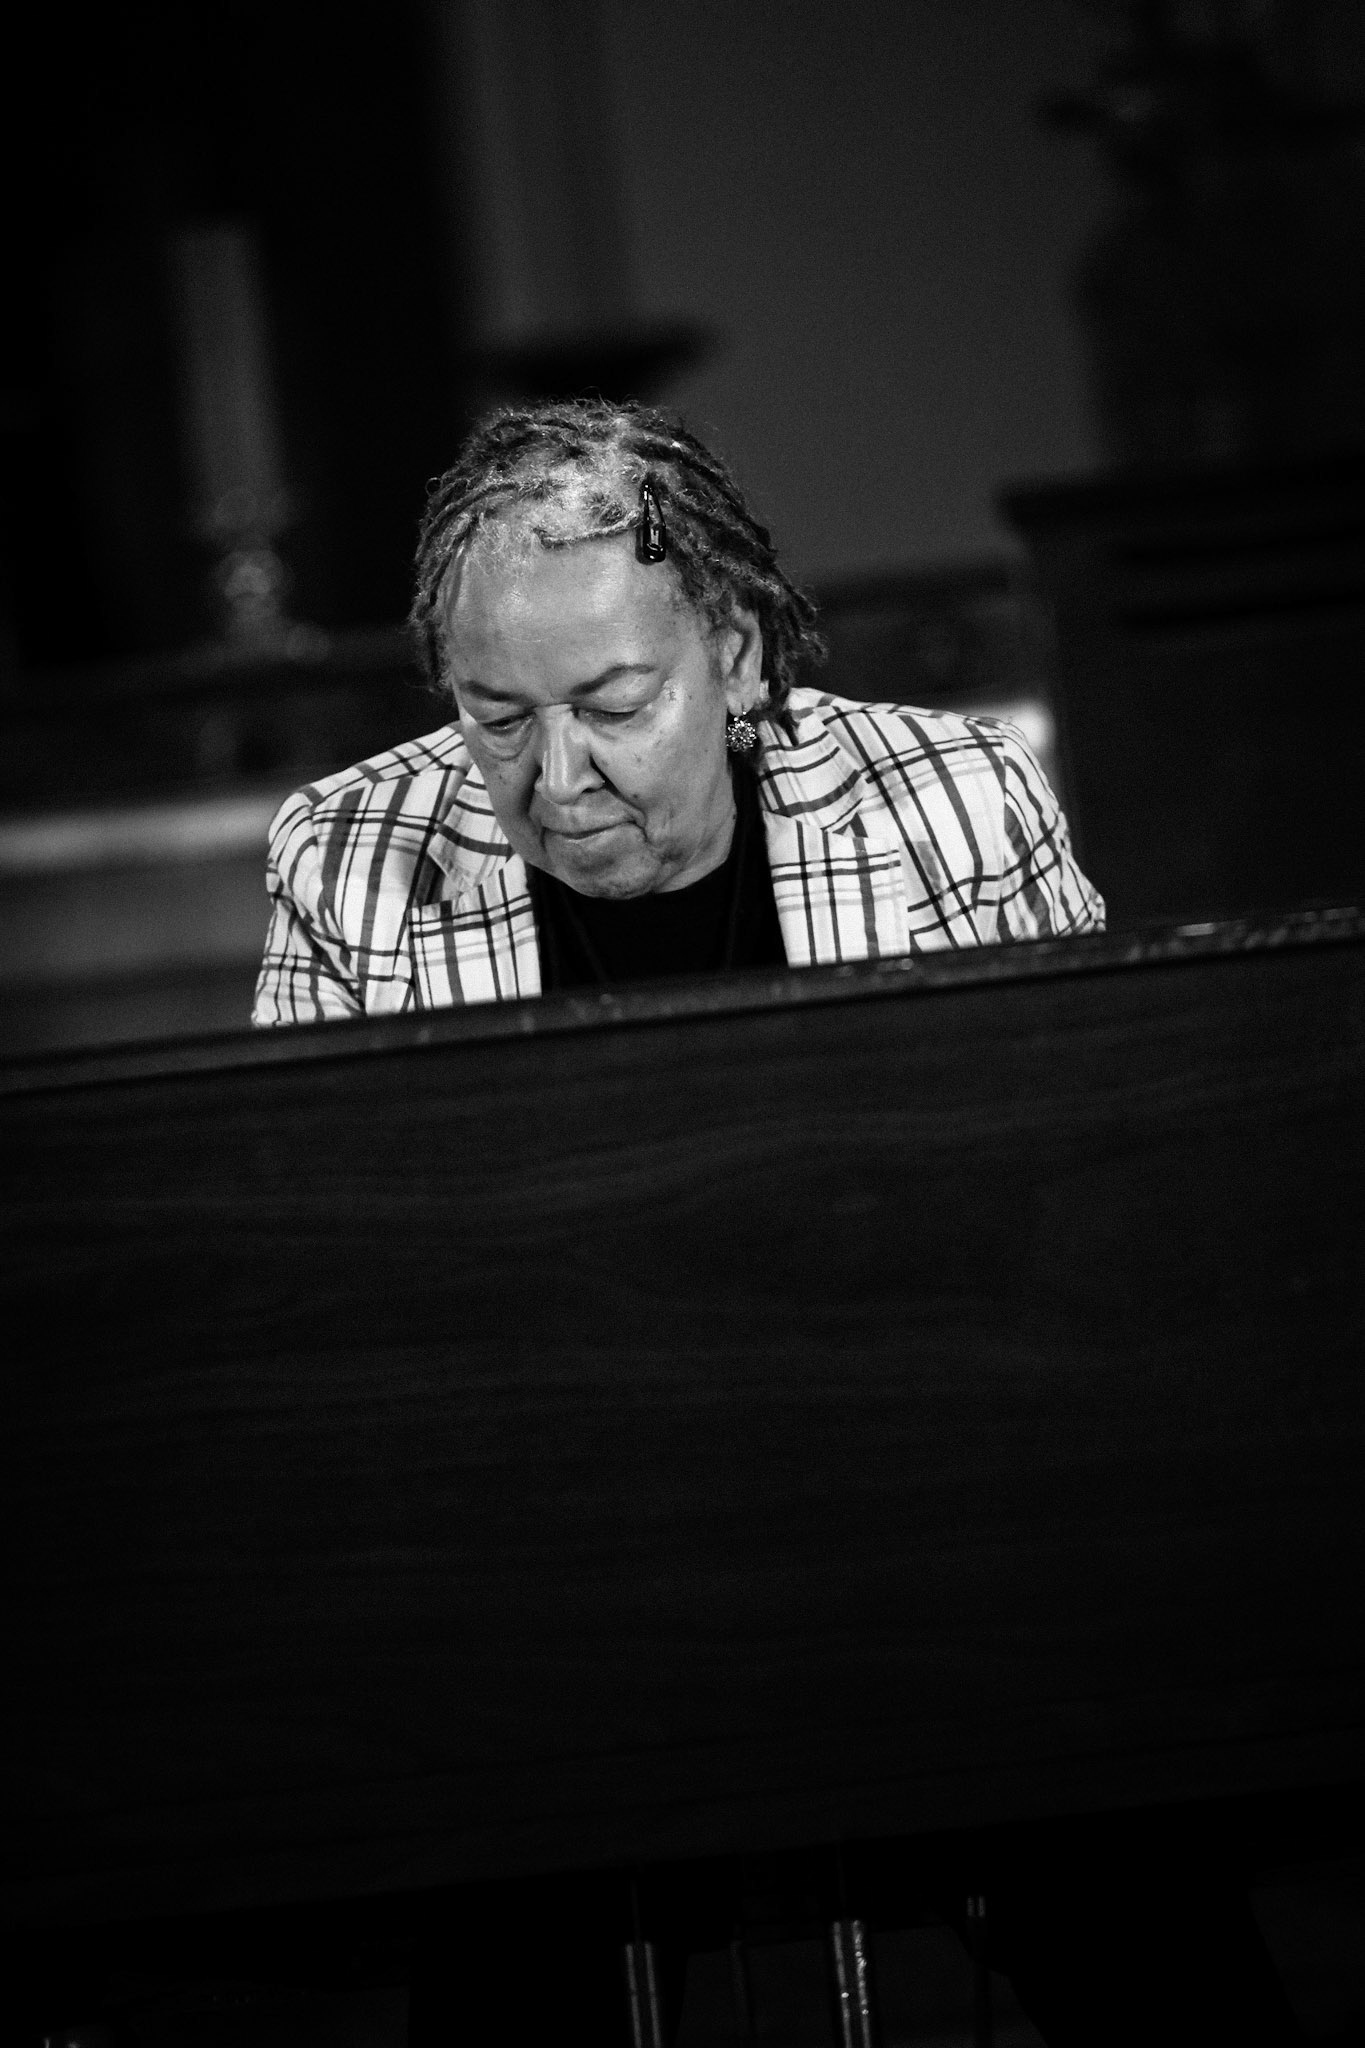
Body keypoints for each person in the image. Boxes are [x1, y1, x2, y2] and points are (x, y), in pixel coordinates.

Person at [253, 399, 1102, 1027]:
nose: (559, 780)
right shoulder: (346, 861)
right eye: (500, 720)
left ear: (735, 659)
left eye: (614, 706)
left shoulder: (957, 805)